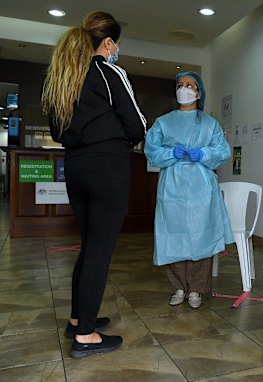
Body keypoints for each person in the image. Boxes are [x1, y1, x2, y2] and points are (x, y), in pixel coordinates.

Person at [41, 11, 146, 358]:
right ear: (108, 42)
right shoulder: (108, 70)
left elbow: (57, 132)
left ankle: (78, 319)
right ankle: (85, 335)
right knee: (98, 252)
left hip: (76, 166)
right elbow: (137, 125)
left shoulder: (63, 76)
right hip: (108, 167)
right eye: (117, 44)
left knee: (90, 246)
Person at [144, 71, 233, 309]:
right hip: (172, 185)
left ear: (198, 92)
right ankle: (178, 286)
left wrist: (203, 154)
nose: (184, 88)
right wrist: (169, 153)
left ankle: (196, 289)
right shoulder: (163, 122)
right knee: (171, 236)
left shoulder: (209, 123)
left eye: (189, 85)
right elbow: (151, 152)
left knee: (200, 238)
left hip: (201, 186)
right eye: (180, 85)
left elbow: (223, 152)